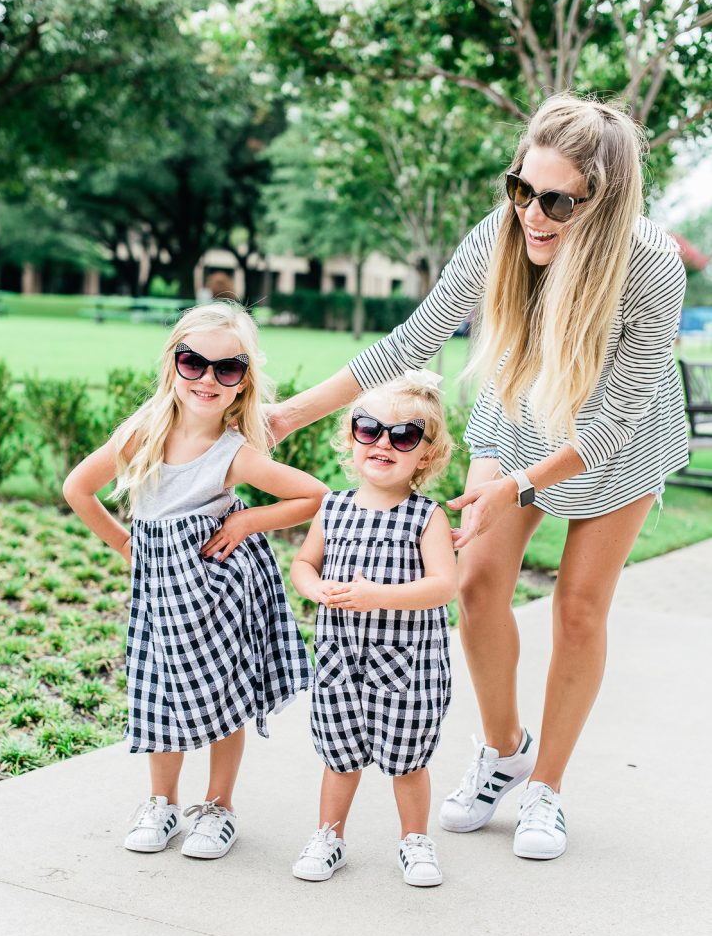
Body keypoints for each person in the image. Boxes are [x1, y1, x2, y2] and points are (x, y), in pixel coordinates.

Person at [270, 93, 688, 861]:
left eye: (557, 200)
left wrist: (522, 487)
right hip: (521, 405)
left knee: (579, 611)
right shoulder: (501, 235)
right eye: (522, 188)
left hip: (617, 441)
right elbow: (412, 340)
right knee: (479, 583)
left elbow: (609, 423)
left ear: (604, 201)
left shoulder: (651, 267)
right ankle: (504, 751)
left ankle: (547, 790)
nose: (533, 212)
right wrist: (289, 415)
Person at [63, 301, 326, 860]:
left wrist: (249, 519)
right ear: (173, 365)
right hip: (161, 594)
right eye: (194, 363)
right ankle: (162, 803)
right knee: (161, 693)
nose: (208, 378)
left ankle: (218, 807)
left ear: (242, 382)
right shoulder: (144, 434)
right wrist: (130, 546)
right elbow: (77, 489)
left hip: (218, 588)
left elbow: (315, 496)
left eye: (226, 369)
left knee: (220, 696)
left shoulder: (235, 454)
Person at [290, 371, 456, 887]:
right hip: (341, 661)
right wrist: (314, 587)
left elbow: (443, 586)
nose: (383, 442)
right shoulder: (333, 507)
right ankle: (329, 837)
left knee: (407, 761)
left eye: (403, 436)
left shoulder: (425, 518)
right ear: (352, 437)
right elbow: (303, 563)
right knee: (340, 756)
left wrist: (377, 597)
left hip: (408, 665)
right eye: (369, 429)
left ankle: (414, 842)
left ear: (424, 455)